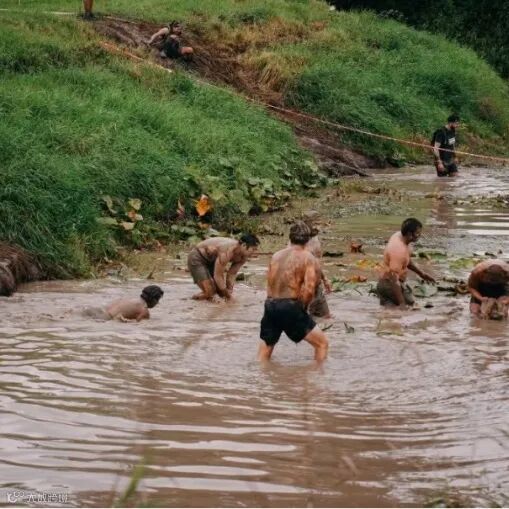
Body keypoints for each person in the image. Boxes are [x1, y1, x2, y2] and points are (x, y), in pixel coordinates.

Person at [258, 221, 329, 362]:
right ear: (307, 240)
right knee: (322, 344)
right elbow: (309, 289)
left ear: (290, 238)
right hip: (289, 306)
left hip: (270, 304)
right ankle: (318, 374)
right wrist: (302, 308)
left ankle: (262, 374)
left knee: (265, 350)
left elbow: (269, 282)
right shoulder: (308, 257)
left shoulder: (276, 255)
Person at [377, 218, 436, 307]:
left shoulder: (398, 235)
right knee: (411, 306)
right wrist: (402, 303)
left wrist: (422, 274)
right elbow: (393, 279)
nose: (419, 235)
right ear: (409, 234)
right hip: (389, 284)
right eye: (417, 233)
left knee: (390, 308)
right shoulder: (399, 250)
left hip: (384, 282)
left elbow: (406, 261)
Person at [187, 234, 260, 301]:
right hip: (197, 257)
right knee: (210, 292)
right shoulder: (228, 250)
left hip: (212, 261)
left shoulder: (244, 256)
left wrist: (229, 290)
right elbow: (218, 275)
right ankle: (190, 301)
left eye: (256, 249)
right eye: (253, 249)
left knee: (220, 294)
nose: (255, 252)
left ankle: (206, 304)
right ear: (244, 245)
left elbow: (232, 273)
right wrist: (228, 296)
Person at [84, 285, 164, 321]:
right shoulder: (144, 311)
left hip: (97, 311)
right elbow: (139, 326)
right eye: (158, 300)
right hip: (104, 319)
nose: (157, 303)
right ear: (154, 300)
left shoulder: (130, 299)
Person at [305, 222, 332, 319]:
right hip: (307, 290)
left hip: (316, 288)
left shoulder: (314, 242)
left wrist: (324, 279)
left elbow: (317, 265)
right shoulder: (299, 248)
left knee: (326, 318)